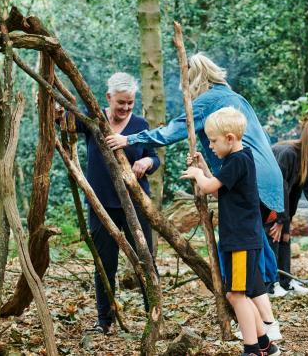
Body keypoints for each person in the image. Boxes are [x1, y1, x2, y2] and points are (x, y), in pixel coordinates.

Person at [106, 53, 283, 341]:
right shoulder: (233, 97)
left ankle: (257, 328)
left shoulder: (209, 101)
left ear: (194, 80)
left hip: (249, 183)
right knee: (255, 251)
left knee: (240, 261)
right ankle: (264, 324)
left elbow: (171, 131)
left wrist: (130, 140)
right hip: (267, 180)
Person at [182, 108, 279, 356]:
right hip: (238, 239)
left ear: (230, 138)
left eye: (213, 141)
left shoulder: (238, 160)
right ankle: (265, 344)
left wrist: (196, 175)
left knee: (236, 295)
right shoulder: (237, 160)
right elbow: (218, 188)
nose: (211, 146)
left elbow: (208, 188)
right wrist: (203, 168)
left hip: (241, 240)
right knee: (236, 293)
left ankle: (252, 349)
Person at [75, 73, 160, 334]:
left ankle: (154, 316)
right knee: (104, 263)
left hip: (135, 205)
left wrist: (147, 162)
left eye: (130, 103)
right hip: (101, 204)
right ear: (109, 97)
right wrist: (48, 106)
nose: (125, 108)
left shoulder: (140, 124)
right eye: (121, 102)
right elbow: (63, 119)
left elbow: (154, 158)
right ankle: (105, 321)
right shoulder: (93, 120)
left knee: (146, 262)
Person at [268, 120, 308, 296]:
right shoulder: (288, 153)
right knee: (274, 237)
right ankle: (270, 285)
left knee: (285, 238)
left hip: (283, 204)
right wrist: (280, 219)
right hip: (267, 201)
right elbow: (278, 186)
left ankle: (286, 282)